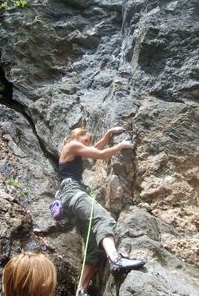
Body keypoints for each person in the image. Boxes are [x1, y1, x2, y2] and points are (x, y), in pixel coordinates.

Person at [59, 127, 145, 296]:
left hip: (72, 196)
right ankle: (116, 260)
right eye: (85, 138)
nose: (87, 142)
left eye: (89, 140)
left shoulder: (75, 149)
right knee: (103, 219)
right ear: (76, 135)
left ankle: (81, 290)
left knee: (93, 245)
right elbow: (102, 155)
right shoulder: (72, 145)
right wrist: (120, 146)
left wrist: (108, 134)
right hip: (73, 192)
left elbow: (96, 149)